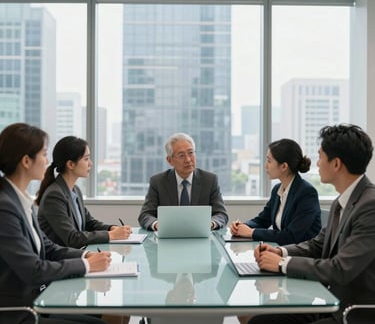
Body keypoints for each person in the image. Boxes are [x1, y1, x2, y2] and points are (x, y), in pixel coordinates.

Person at [251, 124, 375, 324]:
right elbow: (318, 244)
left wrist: (283, 264)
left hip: (351, 313)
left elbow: (340, 269)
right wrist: (281, 252)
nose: (316, 163)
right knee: (260, 320)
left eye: (320, 156)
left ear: (336, 164)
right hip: (330, 301)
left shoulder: (370, 206)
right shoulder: (342, 201)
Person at [0, 123, 111, 324]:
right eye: (43, 154)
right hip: (20, 313)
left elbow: (48, 248)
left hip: (36, 300)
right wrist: (86, 264)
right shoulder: (5, 207)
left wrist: (87, 255)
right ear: (26, 161)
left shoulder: (19, 200)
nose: (48, 161)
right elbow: (34, 270)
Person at [36, 136, 132, 249]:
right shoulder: (54, 196)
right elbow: (72, 238)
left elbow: (89, 223)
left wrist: (111, 228)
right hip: (60, 260)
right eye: (86, 159)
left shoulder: (75, 190)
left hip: (76, 254)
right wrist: (111, 235)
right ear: (70, 164)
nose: (90, 163)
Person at [230, 138, 321, 245]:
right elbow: (262, 220)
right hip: (282, 251)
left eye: (269, 161)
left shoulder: (306, 193)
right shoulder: (277, 189)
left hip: (302, 256)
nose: (265, 166)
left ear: (284, 166)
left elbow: (291, 236)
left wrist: (252, 232)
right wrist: (242, 227)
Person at [138, 132, 228, 231]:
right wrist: (157, 224)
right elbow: (145, 215)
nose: (188, 159)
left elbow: (221, 214)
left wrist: (211, 224)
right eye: (181, 155)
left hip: (200, 237)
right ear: (169, 160)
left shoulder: (209, 180)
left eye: (191, 153)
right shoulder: (158, 182)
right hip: (169, 238)